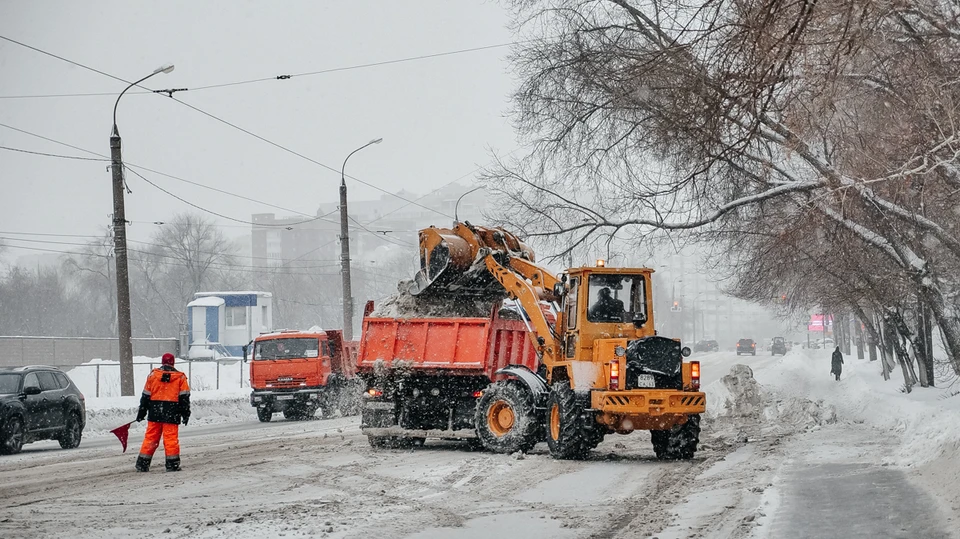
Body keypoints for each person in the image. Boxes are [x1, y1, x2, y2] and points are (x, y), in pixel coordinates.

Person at [135, 353, 190, 472]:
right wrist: (185, 414)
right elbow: (184, 399)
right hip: (172, 412)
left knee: (150, 438)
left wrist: (142, 412)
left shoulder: (153, 376)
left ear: (162, 362)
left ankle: (142, 463)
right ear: (173, 362)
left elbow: (145, 396)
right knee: (170, 439)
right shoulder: (180, 378)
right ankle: (172, 464)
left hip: (155, 412)